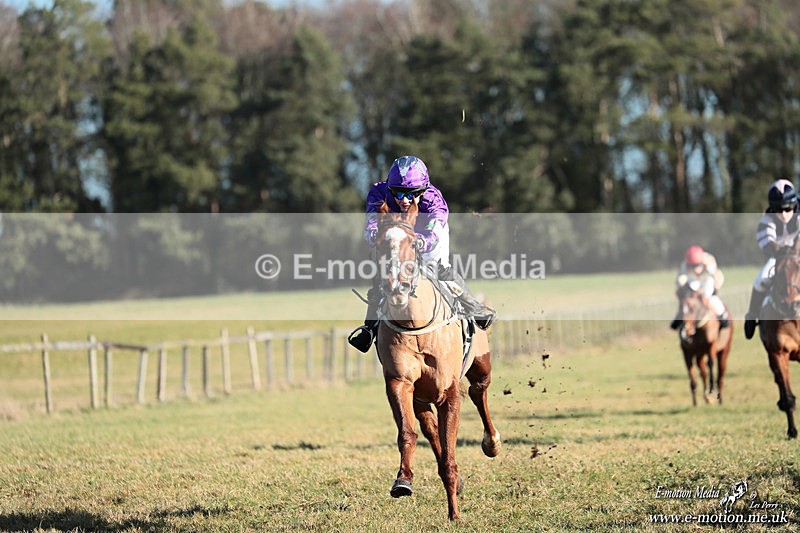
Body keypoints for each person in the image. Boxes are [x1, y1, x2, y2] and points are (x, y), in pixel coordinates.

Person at [347, 155, 496, 353]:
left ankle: (475, 310)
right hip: (396, 237)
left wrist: (421, 242)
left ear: (423, 191)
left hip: (427, 236)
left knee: (439, 270)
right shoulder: (378, 192)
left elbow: (434, 232)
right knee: (385, 275)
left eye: (412, 194)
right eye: (398, 194)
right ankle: (369, 328)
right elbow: (371, 224)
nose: (405, 200)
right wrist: (375, 234)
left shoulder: (435, 200)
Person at [743, 179, 800, 340]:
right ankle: (752, 315)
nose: (783, 215)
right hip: (779, 257)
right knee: (760, 280)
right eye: (778, 210)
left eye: (787, 209)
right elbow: (767, 242)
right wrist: (780, 253)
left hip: (799, 255)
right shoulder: (766, 221)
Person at [670, 245, 729, 330]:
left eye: (697, 265)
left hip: (706, 280)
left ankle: (722, 315)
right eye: (692, 266)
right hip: (693, 280)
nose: (695, 269)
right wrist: (680, 289)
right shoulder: (684, 265)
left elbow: (718, 276)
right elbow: (679, 280)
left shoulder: (709, 262)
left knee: (709, 297)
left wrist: (716, 288)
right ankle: (679, 316)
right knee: (687, 300)